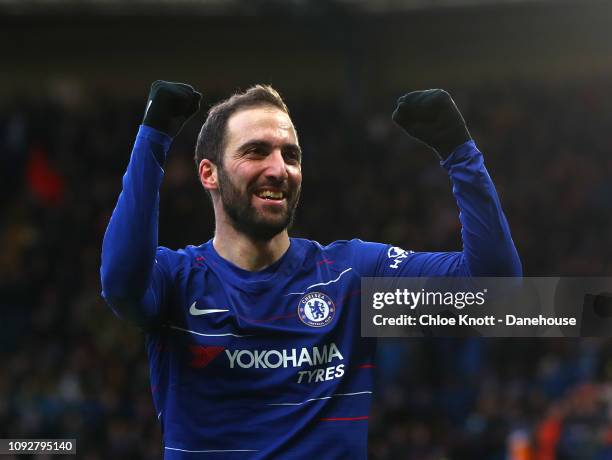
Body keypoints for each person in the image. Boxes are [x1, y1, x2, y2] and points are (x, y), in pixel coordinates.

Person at [100, 80, 521, 459]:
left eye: (291, 155)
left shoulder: (351, 278)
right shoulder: (176, 279)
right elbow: (119, 285)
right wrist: (152, 139)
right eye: (255, 151)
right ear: (208, 173)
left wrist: (458, 151)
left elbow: (494, 291)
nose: (279, 169)